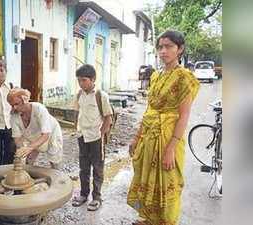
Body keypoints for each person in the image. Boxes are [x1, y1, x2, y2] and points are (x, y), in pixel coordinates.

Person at [127, 30, 200, 225]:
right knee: (147, 178)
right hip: (149, 136)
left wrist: (171, 149)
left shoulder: (185, 78)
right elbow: (149, 109)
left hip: (168, 137)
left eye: (168, 46)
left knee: (168, 181)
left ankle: (166, 222)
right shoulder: (156, 77)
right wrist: (136, 137)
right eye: (160, 47)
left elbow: (184, 115)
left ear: (180, 49)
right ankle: (150, 219)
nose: (163, 51)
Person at [71, 64, 113, 211]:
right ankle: (83, 194)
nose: (81, 83)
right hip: (82, 136)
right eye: (79, 80)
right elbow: (77, 112)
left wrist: (101, 134)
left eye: (84, 80)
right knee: (83, 168)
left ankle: (96, 197)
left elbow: (108, 118)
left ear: (93, 79)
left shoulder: (101, 95)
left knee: (97, 168)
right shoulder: (79, 95)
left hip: (96, 137)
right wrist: (76, 128)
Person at [7, 88, 62, 169]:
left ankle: (58, 177)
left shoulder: (39, 109)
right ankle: (27, 176)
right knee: (27, 162)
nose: (14, 108)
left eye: (16, 104)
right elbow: (17, 138)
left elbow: (46, 134)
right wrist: (21, 151)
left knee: (55, 159)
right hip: (33, 137)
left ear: (25, 100)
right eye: (12, 105)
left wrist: (29, 148)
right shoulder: (14, 116)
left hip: (51, 134)